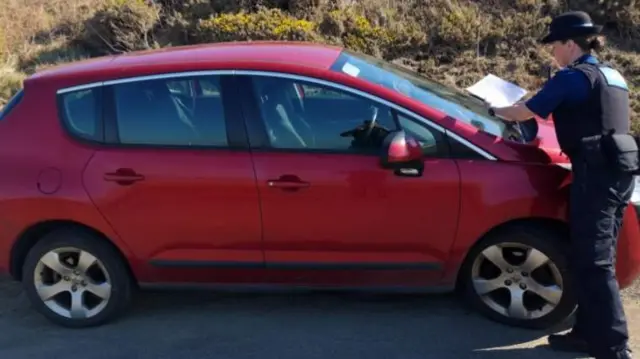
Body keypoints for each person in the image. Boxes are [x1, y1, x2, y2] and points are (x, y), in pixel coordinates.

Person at [487, 10, 637, 359]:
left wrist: (494, 111)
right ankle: (586, 334)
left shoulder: (572, 77)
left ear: (571, 44)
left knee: (595, 264)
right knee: (595, 259)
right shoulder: (612, 74)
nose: (552, 51)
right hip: (620, 171)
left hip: (596, 177)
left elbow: (526, 112)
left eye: (555, 44)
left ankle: (614, 349)